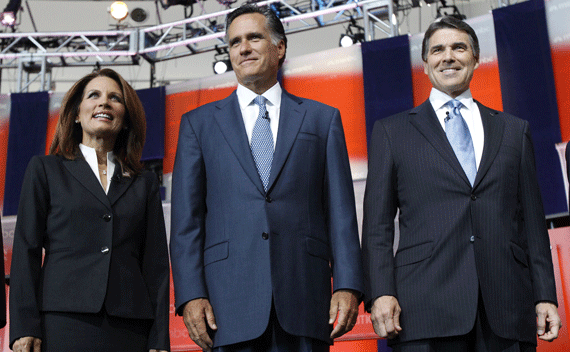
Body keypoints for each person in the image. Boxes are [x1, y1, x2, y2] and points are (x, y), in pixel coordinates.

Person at [170, 4, 364, 352]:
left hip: (306, 297)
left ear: (280, 47)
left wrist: (347, 284)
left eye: (254, 37)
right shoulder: (197, 125)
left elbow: (341, 213)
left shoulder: (322, 120)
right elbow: (186, 223)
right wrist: (191, 295)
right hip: (227, 306)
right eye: (234, 42)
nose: (243, 48)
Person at [362, 16, 561, 352]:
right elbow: (377, 226)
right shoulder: (391, 132)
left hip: (507, 308)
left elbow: (532, 224)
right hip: (424, 309)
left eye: (458, 47)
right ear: (425, 64)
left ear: (475, 58)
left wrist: (545, 296)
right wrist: (381, 292)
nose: (448, 56)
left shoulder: (514, 131)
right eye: (437, 50)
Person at [9, 68, 170, 352]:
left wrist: (159, 338)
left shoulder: (144, 182)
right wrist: (24, 327)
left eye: (114, 98)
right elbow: (26, 251)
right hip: (61, 321)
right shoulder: (46, 170)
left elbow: (155, 265)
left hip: (130, 326)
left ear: (125, 118)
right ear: (76, 113)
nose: (104, 102)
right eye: (93, 95)